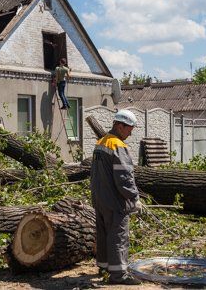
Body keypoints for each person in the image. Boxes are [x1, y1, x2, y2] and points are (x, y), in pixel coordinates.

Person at [90, 109, 143, 285]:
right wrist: (134, 198)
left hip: (99, 198)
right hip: (114, 201)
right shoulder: (118, 146)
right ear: (120, 126)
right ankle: (119, 275)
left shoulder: (101, 142)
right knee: (118, 237)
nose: (131, 132)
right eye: (129, 128)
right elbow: (124, 177)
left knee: (104, 235)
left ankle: (104, 268)